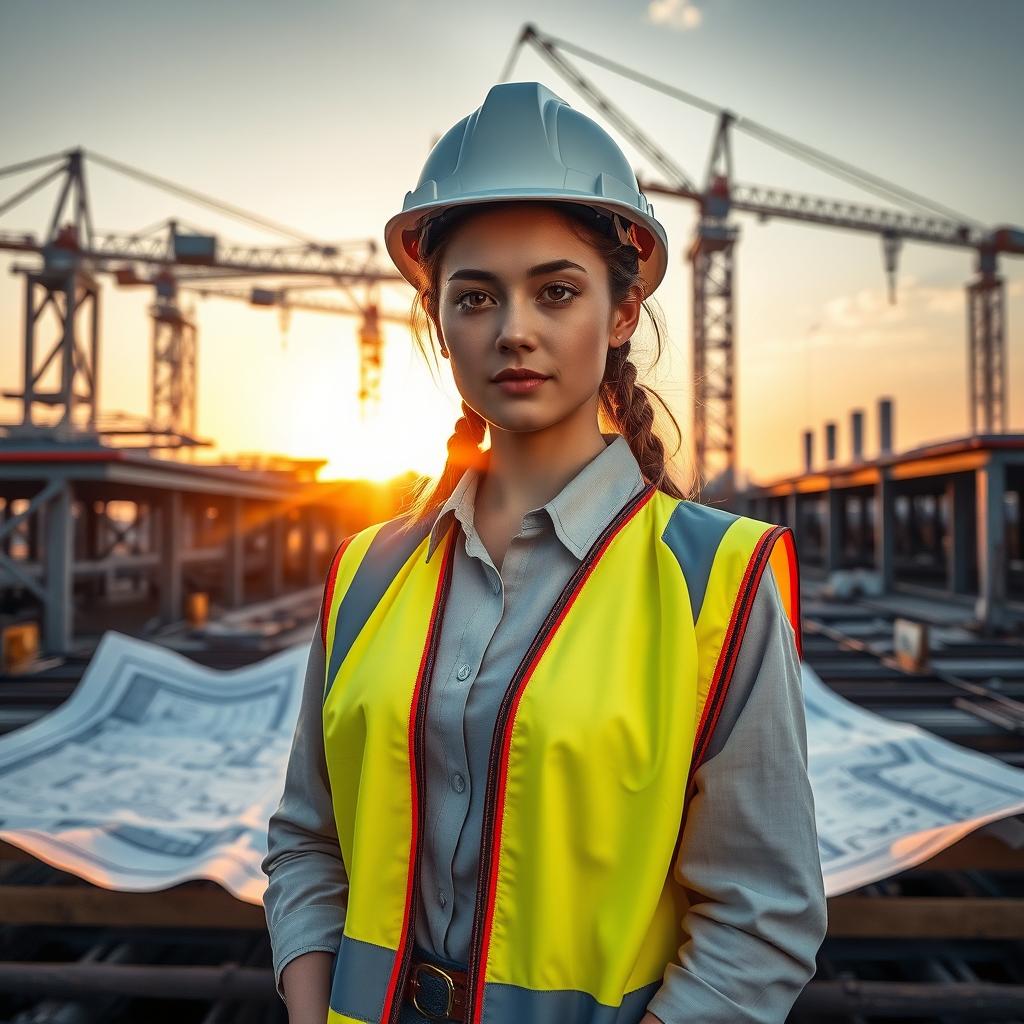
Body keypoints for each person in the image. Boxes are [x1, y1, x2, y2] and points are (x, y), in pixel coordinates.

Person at [262, 81, 827, 1024]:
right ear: (438, 322)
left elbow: (761, 918)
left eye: (556, 290)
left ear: (619, 312)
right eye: (475, 295)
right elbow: (307, 838)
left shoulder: (715, 582)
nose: (513, 328)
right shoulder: (368, 572)